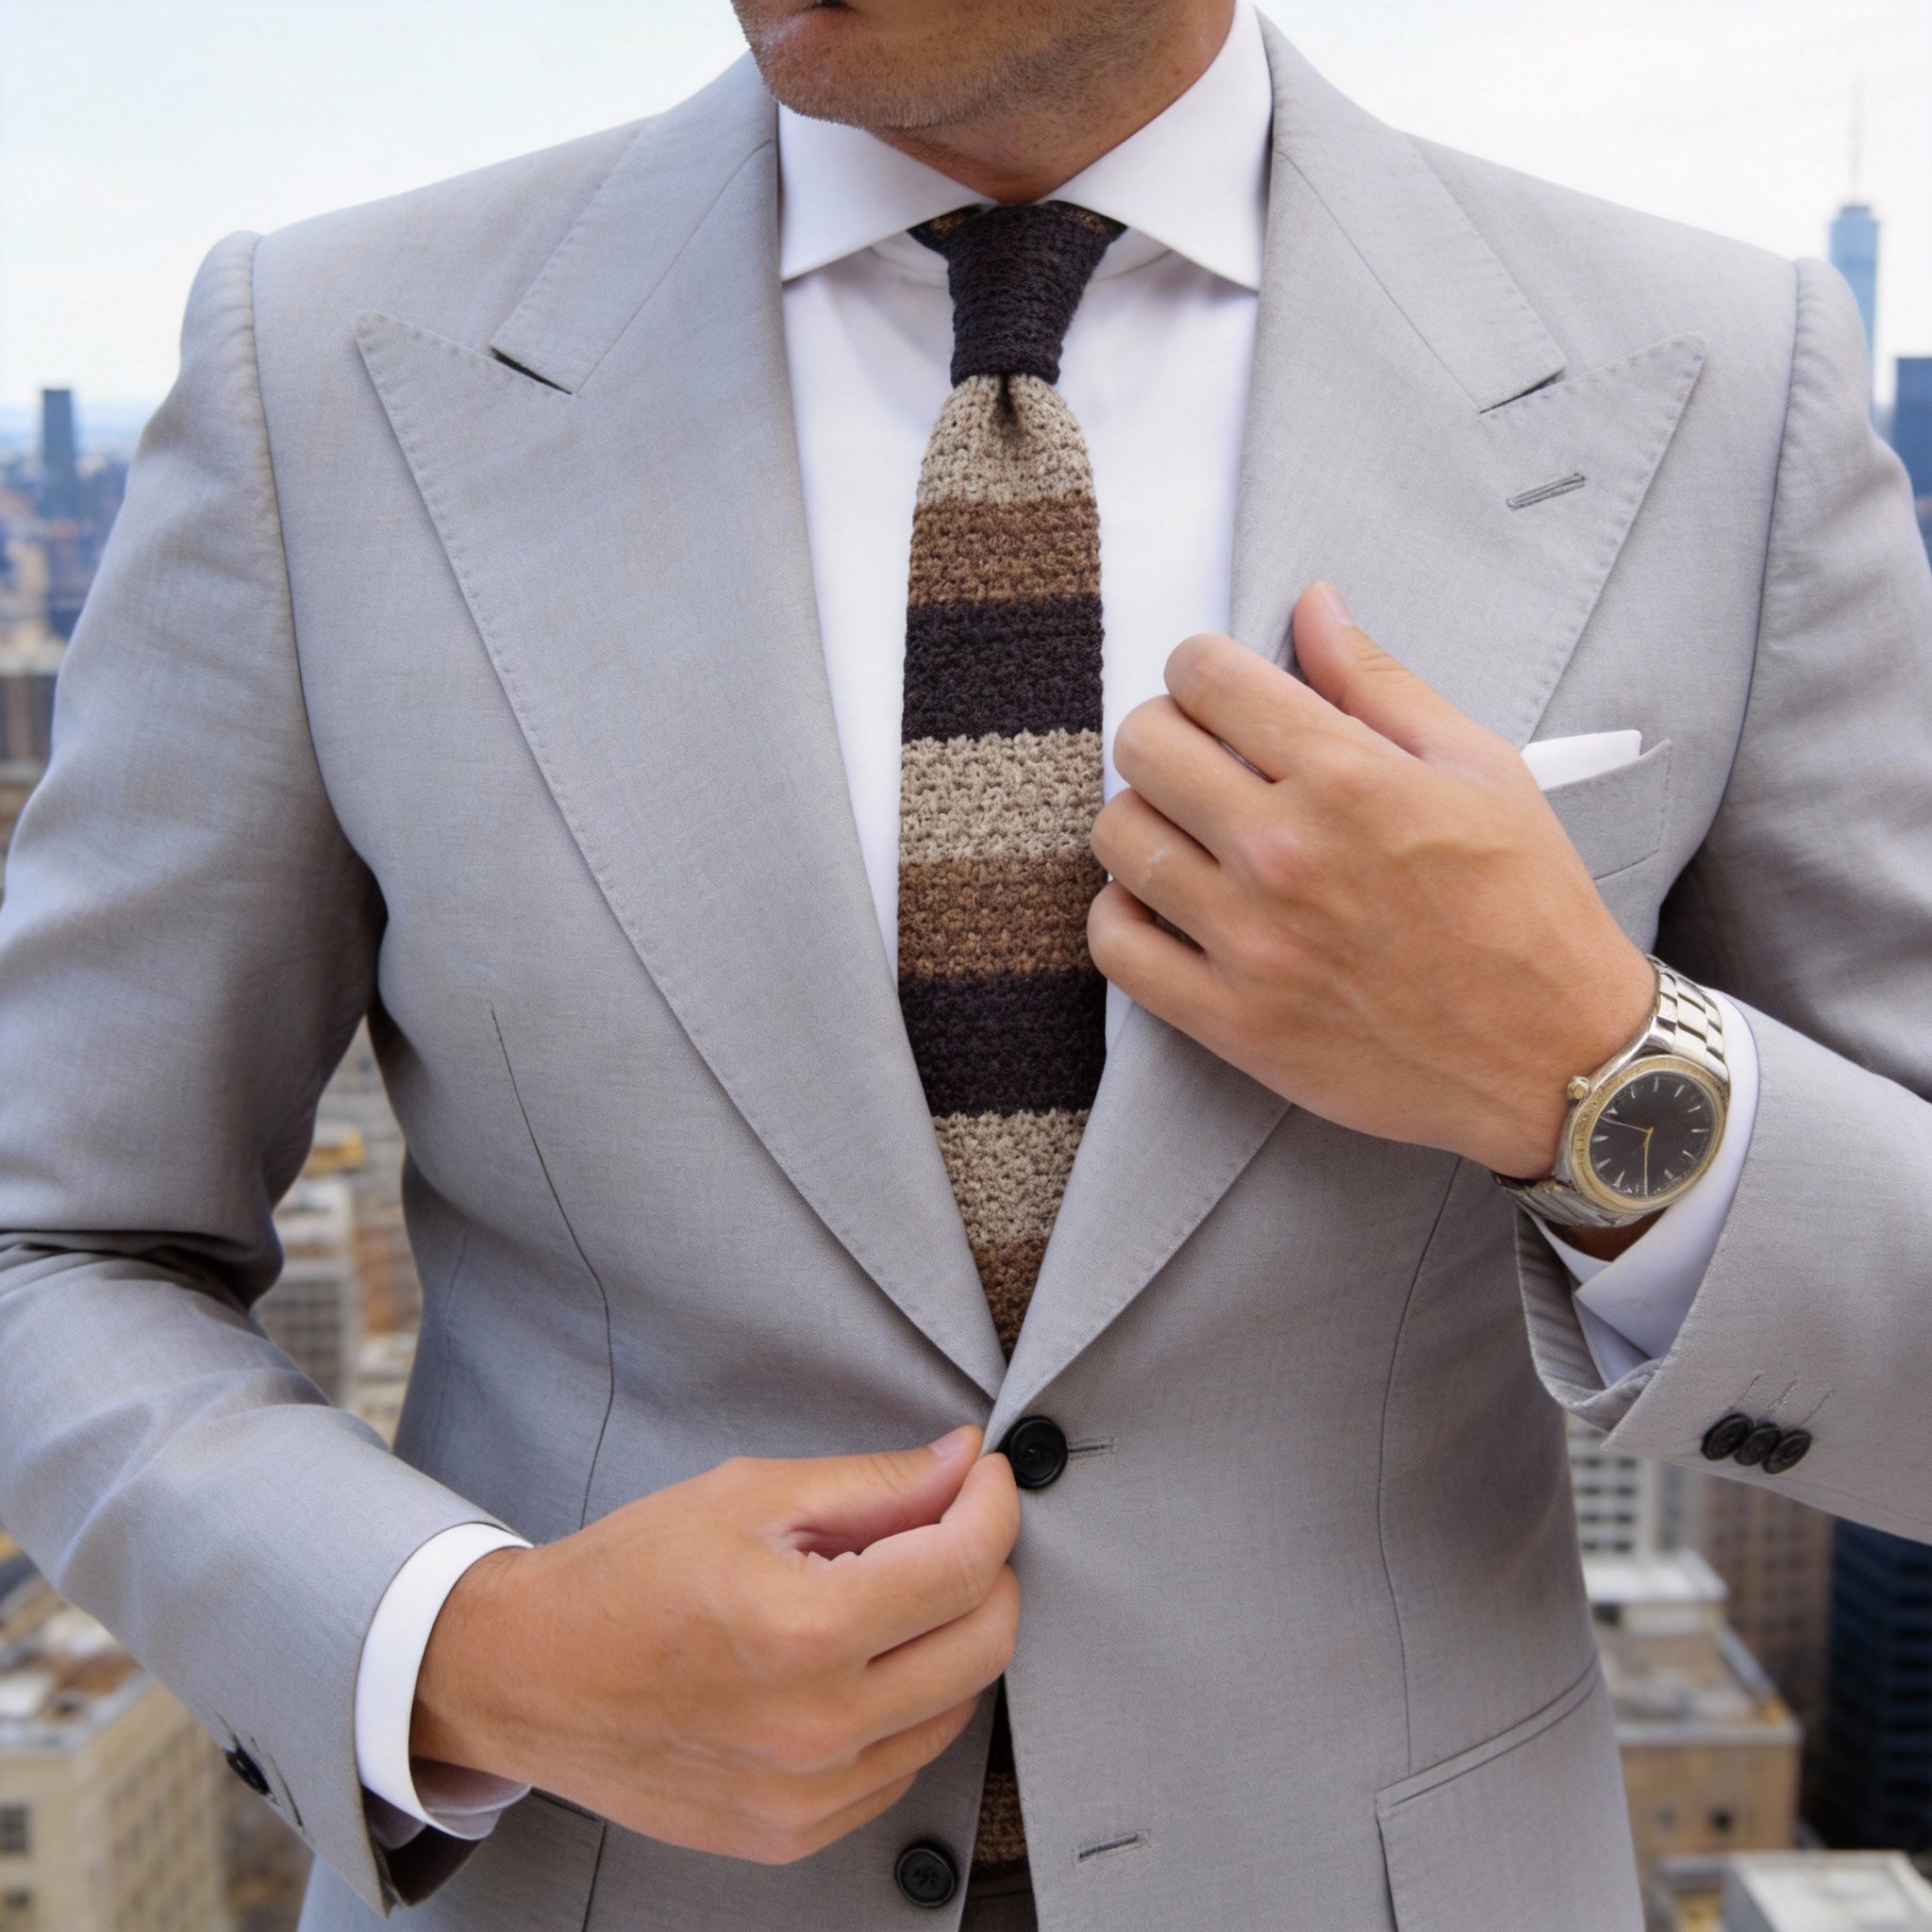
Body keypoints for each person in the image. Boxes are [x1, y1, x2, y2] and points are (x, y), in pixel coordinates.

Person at [1, 0, 1929, 1925]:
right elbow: (55, 1238)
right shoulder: (320, 373)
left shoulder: (1720, 391)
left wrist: (1590, 1077)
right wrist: (472, 1652)